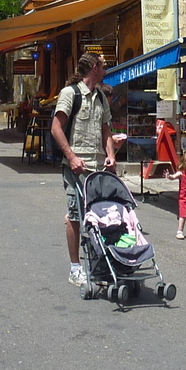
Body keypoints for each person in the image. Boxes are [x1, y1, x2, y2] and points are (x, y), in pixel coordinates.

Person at [51, 52, 115, 287]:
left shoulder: (100, 96)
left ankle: (101, 263)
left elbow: (106, 129)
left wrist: (110, 155)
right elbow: (56, 128)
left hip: (98, 168)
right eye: (103, 65)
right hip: (76, 168)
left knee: (101, 214)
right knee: (75, 215)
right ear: (94, 67)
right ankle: (75, 268)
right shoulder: (70, 94)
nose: (106, 68)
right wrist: (72, 156)